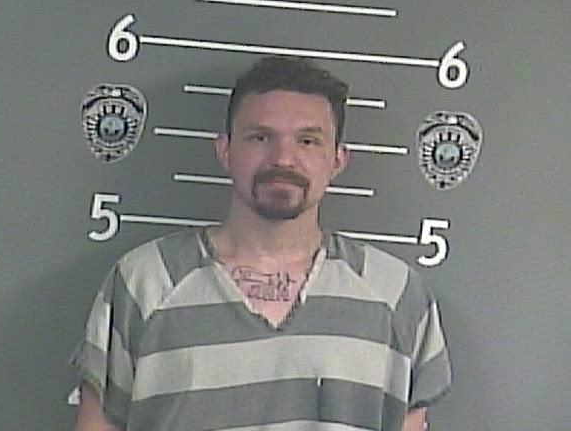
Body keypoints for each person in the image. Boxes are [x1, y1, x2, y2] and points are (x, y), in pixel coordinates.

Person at [69, 56, 452, 431]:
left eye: (308, 140)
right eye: (260, 137)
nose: (283, 158)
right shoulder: (145, 282)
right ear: (225, 150)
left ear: (337, 160)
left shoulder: (396, 294)